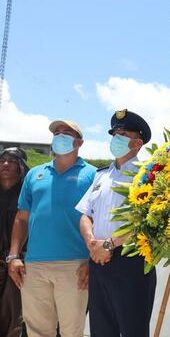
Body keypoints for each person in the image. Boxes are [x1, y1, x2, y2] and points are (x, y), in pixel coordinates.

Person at [7, 120, 96, 337]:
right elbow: (21, 218)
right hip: (34, 265)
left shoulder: (94, 175)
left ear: (79, 142)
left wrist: (91, 260)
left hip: (75, 265)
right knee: (37, 331)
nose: (60, 135)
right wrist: (13, 256)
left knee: (71, 332)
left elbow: (99, 221)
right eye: (57, 132)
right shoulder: (34, 174)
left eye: (66, 132)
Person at [76, 109, 156, 337]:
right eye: (114, 133)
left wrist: (109, 245)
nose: (116, 138)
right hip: (98, 260)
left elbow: (147, 221)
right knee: (101, 330)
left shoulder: (148, 176)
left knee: (133, 330)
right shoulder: (101, 175)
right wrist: (92, 242)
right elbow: (85, 214)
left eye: (122, 133)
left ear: (138, 142)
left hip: (130, 262)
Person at [0, 147, 28, 337]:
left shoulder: (27, 194)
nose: (5, 164)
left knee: (13, 313)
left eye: (12, 160)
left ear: (21, 167)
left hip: (17, 261)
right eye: (2, 160)